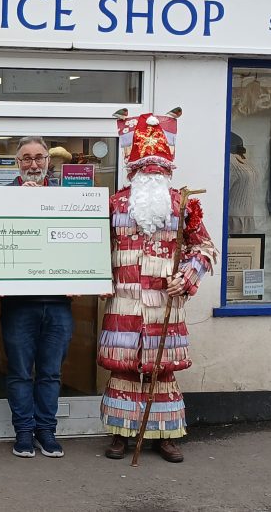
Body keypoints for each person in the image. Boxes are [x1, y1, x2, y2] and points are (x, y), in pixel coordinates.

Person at [99, 108, 216, 463]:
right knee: (123, 366)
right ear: (132, 171)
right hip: (124, 301)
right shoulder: (113, 205)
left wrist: (188, 276)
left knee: (162, 368)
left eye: (158, 169)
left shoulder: (183, 206)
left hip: (165, 302)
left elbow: (204, 248)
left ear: (167, 171)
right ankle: (121, 432)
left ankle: (164, 434)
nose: (152, 174)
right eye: (145, 168)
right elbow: (94, 248)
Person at [0, 136, 74, 459]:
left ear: (48, 161)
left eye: (39, 157)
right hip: (18, 303)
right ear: (17, 163)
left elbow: (78, 243)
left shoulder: (68, 199)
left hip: (58, 302)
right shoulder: (1, 198)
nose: (33, 163)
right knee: (19, 372)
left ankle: (47, 431)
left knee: (50, 373)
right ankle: (24, 432)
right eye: (26, 158)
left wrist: (84, 276)